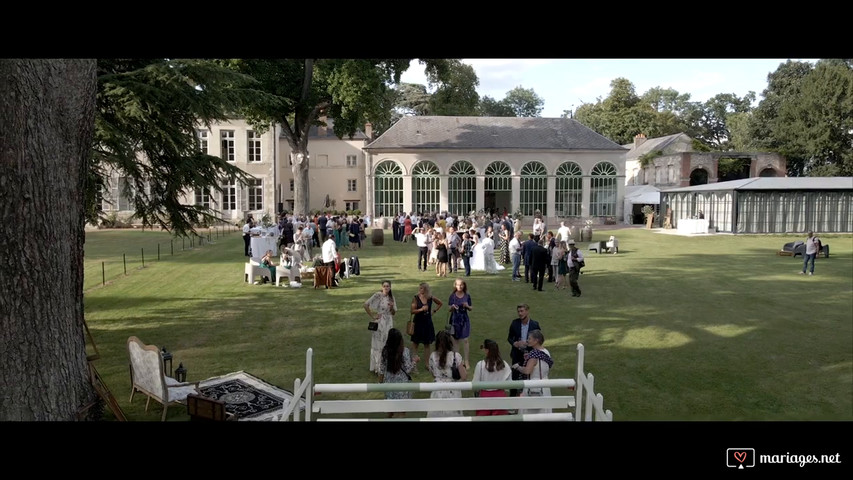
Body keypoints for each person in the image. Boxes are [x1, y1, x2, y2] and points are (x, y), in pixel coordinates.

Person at [378, 328, 418, 418]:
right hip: (402, 385)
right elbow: (408, 369)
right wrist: (415, 361)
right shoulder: (405, 351)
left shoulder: (385, 351)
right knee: (401, 411)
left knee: (390, 408)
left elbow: (382, 368)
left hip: (389, 384)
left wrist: (380, 381)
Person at [426, 330, 467, 418]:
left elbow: (433, 374)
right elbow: (464, 376)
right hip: (453, 389)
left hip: (437, 390)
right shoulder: (456, 356)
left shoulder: (433, 356)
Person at [512, 329, 553, 414]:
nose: (528, 340)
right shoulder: (545, 352)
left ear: (536, 340)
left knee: (531, 414)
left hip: (534, 386)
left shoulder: (534, 355)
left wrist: (518, 367)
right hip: (545, 385)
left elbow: (527, 371)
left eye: (530, 338)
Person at [363, 280, 398, 374]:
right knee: (378, 345)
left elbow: (394, 313)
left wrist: (391, 307)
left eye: (388, 286)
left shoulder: (392, 298)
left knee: (387, 343)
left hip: (389, 322)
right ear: (382, 287)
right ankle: (378, 367)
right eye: (384, 286)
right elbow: (366, 304)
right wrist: (373, 316)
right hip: (380, 322)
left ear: (390, 288)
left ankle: (386, 365)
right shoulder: (377, 295)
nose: (386, 288)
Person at [507, 304, 541, 397]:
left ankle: (527, 396)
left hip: (530, 355)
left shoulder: (534, 324)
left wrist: (526, 343)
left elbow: (539, 339)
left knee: (528, 375)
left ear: (527, 311)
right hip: (516, 354)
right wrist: (515, 343)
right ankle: (512, 398)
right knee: (514, 376)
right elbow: (509, 338)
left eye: (522, 311)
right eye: (518, 311)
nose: (520, 313)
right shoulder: (515, 323)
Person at [473, 339, 511, 416]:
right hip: (500, 396)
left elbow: (475, 384)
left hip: (484, 396)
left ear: (487, 350)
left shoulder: (480, 365)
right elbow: (509, 383)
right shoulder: (504, 364)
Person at [410, 282, 442, 368]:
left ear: (426, 289)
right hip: (418, 322)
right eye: (419, 288)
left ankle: (427, 364)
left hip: (427, 323)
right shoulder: (416, 298)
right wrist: (421, 309)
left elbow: (440, 303)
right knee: (415, 343)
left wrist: (434, 311)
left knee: (427, 344)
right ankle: (413, 363)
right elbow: (412, 311)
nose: (420, 290)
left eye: (422, 288)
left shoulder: (430, 298)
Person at [448, 278, 473, 369]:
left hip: (464, 320)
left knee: (466, 340)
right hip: (455, 320)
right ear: (455, 285)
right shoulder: (452, 296)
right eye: (458, 285)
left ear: (464, 285)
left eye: (461, 285)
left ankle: (466, 361)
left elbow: (471, 308)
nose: (459, 286)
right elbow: (449, 308)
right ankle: (457, 361)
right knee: (456, 341)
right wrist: (453, 307)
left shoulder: (467, 296)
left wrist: (467, 306)